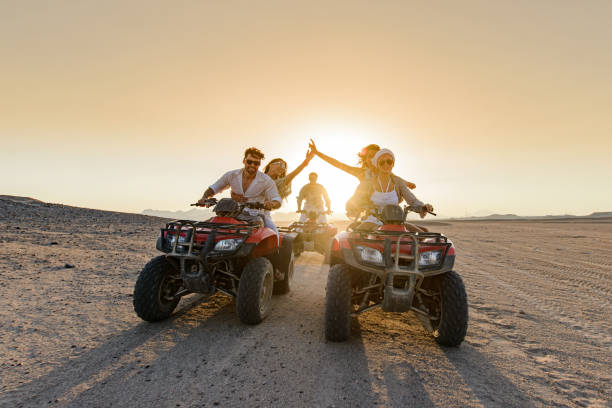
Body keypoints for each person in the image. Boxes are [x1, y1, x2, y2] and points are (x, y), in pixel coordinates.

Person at [346, 148, 433, 232]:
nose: (386, 165)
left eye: (389, 161)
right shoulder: (368, 183)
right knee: (354, 237)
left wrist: (423, 207)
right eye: (382, 162)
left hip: (396, 222)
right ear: (377, 164)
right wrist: (354, 207)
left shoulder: (398, 182)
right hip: (373, 220)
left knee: (424, 234)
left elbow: (412, 201)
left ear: (393, 164)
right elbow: (354, 200)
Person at [197, 147, 281, 232]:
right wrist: (204, 198)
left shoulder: (266, 181)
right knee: (201, 229)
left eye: (256, 163)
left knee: (273, 234)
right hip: (232, 214)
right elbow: (213, 188)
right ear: (244, 161)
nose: (252, 165)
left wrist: (272, 204)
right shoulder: (231, 175)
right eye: (249, 162)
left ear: (259, 164)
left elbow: (277, 200)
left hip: (255, 216)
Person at [308, 139, 416, 189]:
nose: (373, 159)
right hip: (370, 216)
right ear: (365, 159)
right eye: (370, 156)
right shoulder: (361, 173)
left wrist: (407, 183)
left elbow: (397, 178)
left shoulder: (385, 172)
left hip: (389, 216)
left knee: (422, 230)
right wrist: (317, 153)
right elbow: (337, 163)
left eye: (376, 156)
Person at [233, 148, 315, 203]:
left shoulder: (276, 183)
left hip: (259, 217)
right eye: (280, 164)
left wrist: (306, 162)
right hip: (238, 211)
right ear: (270, 165)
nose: (282, 168)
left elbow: (293, 175)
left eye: (284, 167)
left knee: (272, 229)